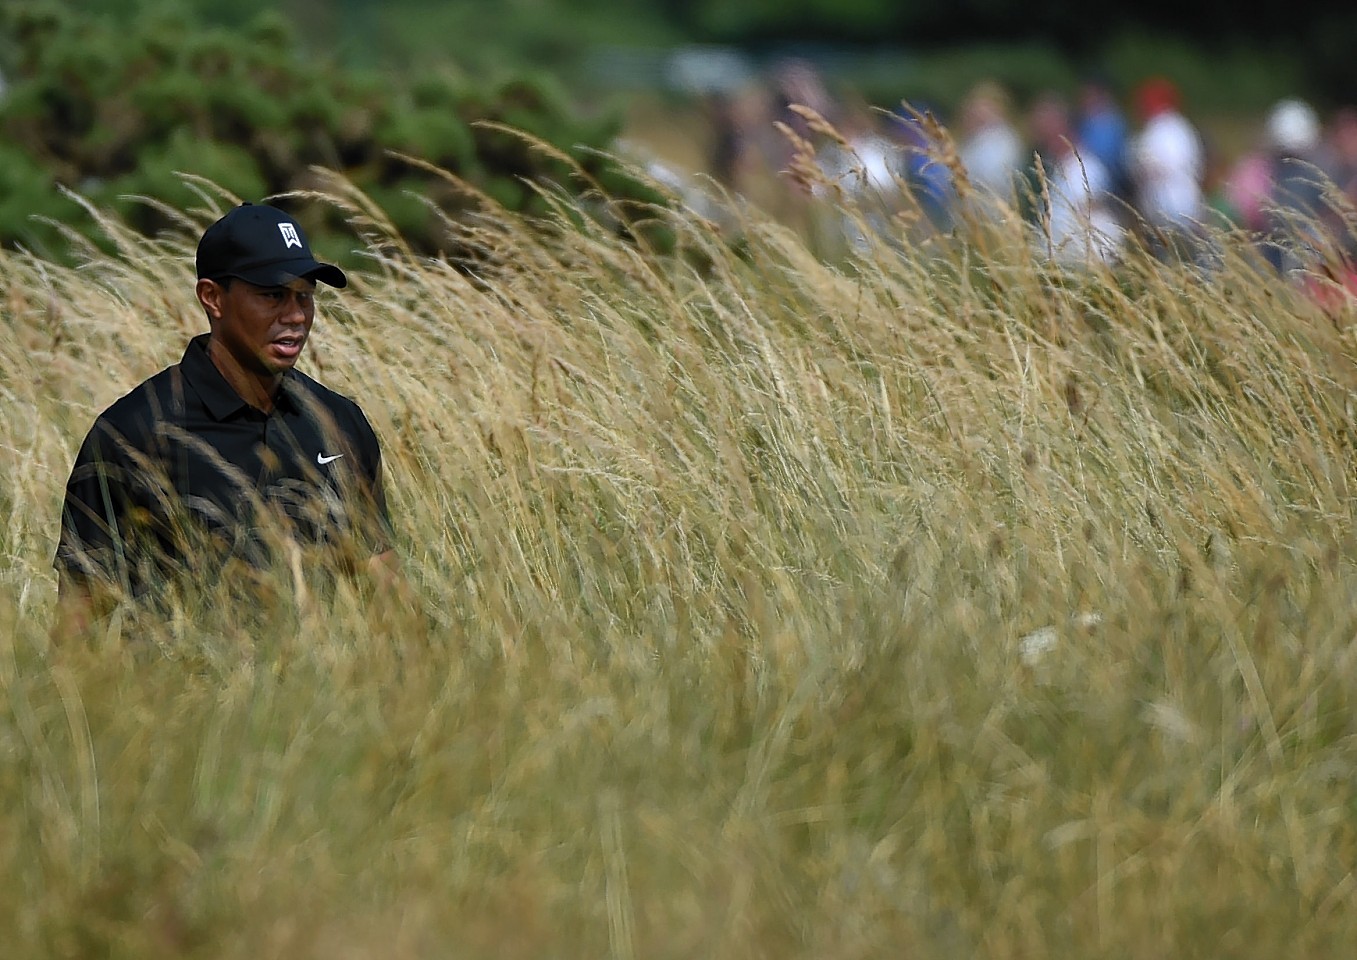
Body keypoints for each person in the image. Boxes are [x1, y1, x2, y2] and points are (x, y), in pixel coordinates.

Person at [54, 202, 398, 635]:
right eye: (272, 295)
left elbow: (386, 593)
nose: (295, 316)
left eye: (305, 296)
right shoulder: (133, 433)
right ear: (212, 297)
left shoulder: (339, 422)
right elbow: (77, 621)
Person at [1027, 92, 1124, 267]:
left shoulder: (1085, 168)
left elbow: (1089, 217)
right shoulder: (1054, 168)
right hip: (1063, 264)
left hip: (1087, 263)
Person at [1126, 75, 1205, 260]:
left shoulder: (1160, 130)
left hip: (1168, 210)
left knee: (1170, 262)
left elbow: (1151, 168)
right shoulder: (1182, 128)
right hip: (1186, 208)